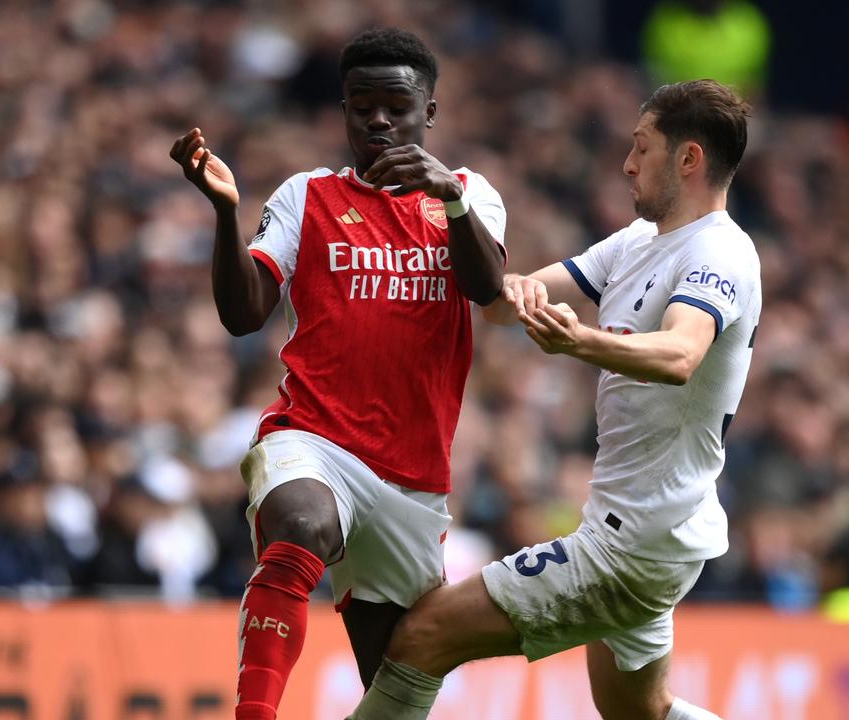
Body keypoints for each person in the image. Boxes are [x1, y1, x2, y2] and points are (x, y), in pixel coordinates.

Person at [349, 79, 758, 720]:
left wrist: (579, 342)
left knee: (423, 638)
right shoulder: (635, 243)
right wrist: (490, 265)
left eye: (641, 148)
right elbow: (507, 302)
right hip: (646, 530)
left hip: (634, 545)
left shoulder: (720, 252)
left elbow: (681, 356)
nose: (627, 163)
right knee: (638, 711)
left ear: (689, 159)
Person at [168, 28, 507, 720]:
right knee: (299, 523)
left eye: (395, 105)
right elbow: (243, 314)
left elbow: (486, 288)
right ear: (344, 112)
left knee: (399, 691)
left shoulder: (471, 196)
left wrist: (451, 199)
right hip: (315, 438)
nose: (378, 120)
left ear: (430, 113)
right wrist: (225, 212)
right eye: (361, 106)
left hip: (413, 477)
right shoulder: (307, 198)